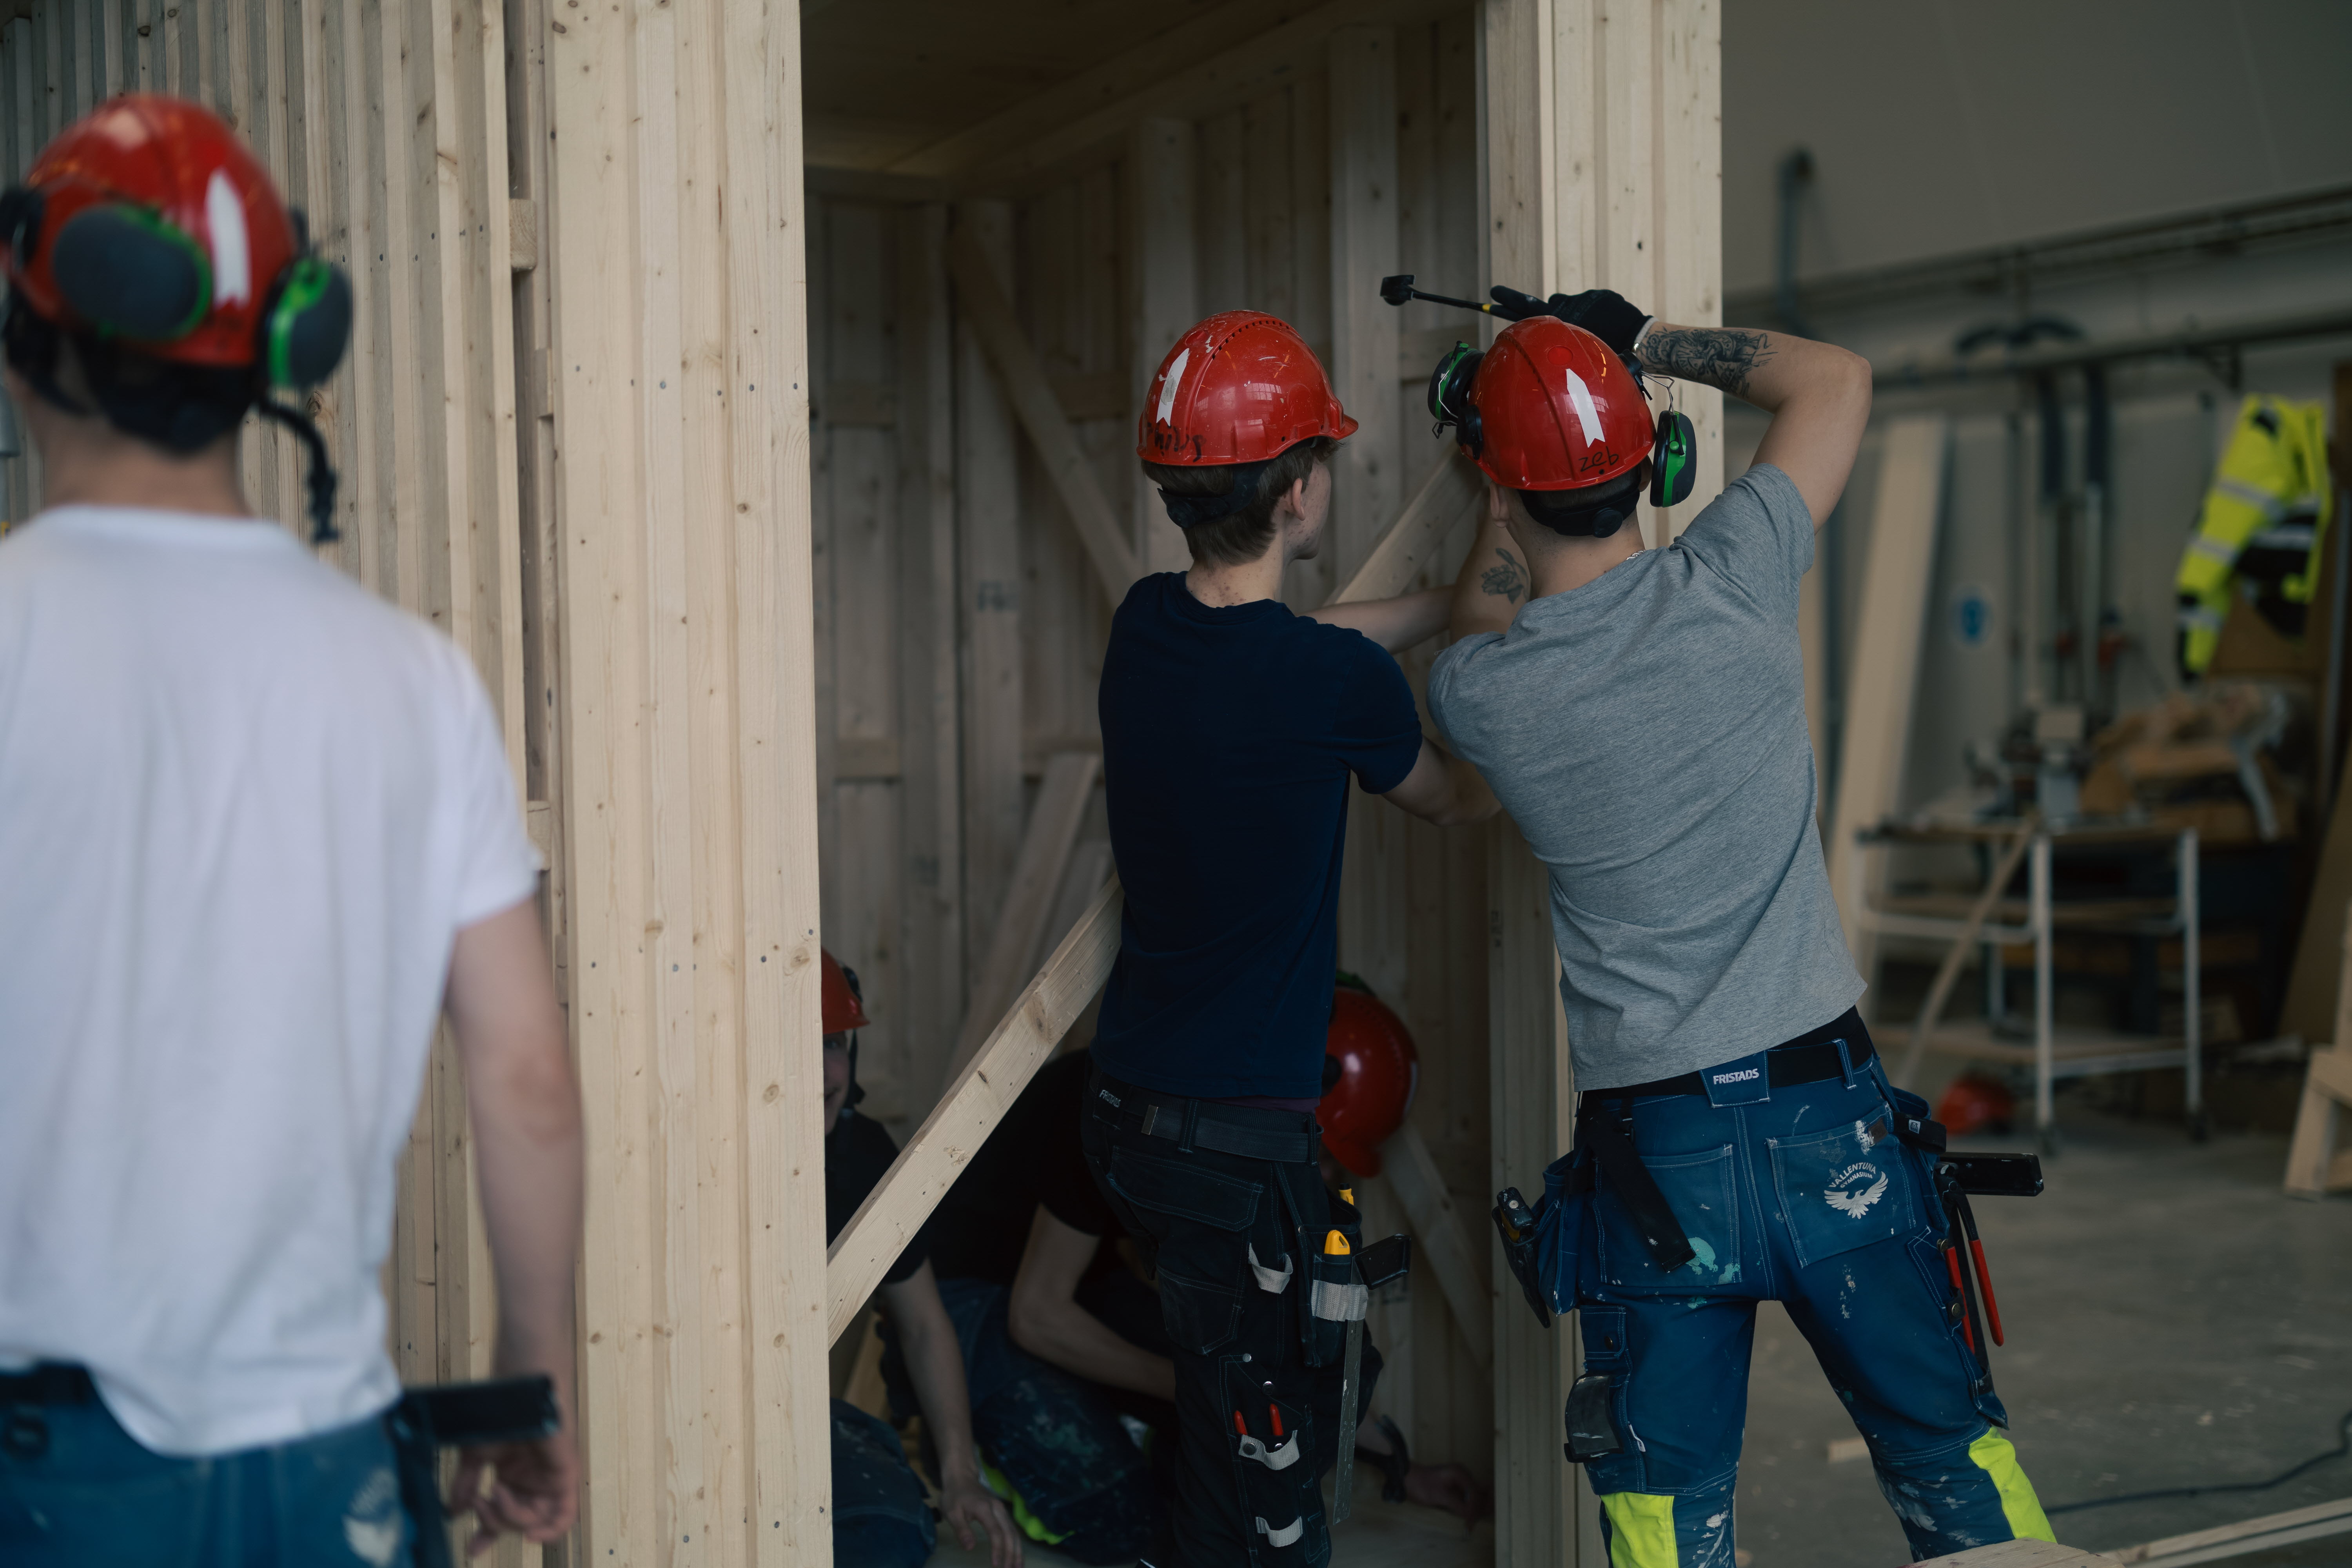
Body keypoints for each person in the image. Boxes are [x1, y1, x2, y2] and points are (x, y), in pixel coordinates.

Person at [0, 95, 581, 1565]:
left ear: (31, 347)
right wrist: (539, 1383)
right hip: (336, 1463)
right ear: (275, 364)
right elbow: (524, 1078)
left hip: (48, 1468)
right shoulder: (413, 678)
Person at [1426, 292, 2055, 1564]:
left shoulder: (1484, 696)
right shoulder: (1738, 578)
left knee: (1668, 1514)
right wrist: (1633, 335)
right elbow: (1835, 381)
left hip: (1658, 1164)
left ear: (1495, 495)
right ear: (1652, 464)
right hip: (1832, 1119)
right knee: (1950, 1453)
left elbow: (1485, 612)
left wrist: (1500, 453)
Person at [1085, 310, 1500, 1568]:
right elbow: (1461, 795)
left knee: (1222, 1436)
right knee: (1267, 1514)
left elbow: (1293, 651)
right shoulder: (1330, 689)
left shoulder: (1145, 629)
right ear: (1305, 494)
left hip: (1130, 1118)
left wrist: (1431, 606)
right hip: (1237, 1153)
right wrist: (1491, 545)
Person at [911, 1029, 1486, 1559]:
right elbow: (1035, 1317)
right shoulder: (1114, 1104)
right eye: (1328, 1161)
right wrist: (1190, 1383)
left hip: (1080, 1284)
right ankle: (989, 1449)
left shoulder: (1222, 1133)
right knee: (1128, 1523)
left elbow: (1265, 1354)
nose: (1328, 1184)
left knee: (1211, 1463)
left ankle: (1108, 1416)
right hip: (972, 1299)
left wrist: (1396, 1463)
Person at [818, 951, 1023, 1568]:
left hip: (797, 1421)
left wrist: (962, 1475)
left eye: (831, 1043)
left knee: (889, 1535)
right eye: (788, 1044)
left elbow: (923, 1322)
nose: (818, 1070)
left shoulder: (863, 1154)